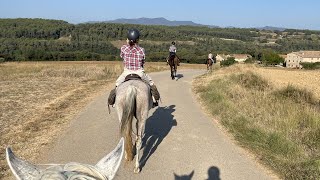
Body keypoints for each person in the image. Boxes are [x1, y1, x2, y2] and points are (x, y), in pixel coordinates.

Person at [108, 28, 160, 107]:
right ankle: (154, 100)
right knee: (151, 83)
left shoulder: (123, 48)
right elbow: (143, 61)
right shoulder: (142, 50)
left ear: (128, 39)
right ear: (138, 40)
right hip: (140, 72)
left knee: (117, 84)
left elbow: (122, 56)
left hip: (127, 72)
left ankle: (114, 102)